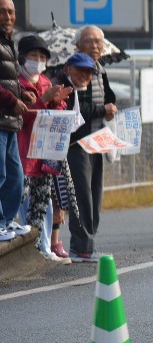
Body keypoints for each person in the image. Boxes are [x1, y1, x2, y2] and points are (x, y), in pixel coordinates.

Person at [58, 25, 117, 262]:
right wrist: (104, 109)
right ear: (78, 45)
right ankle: (81, 247)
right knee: (81, 196)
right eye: (89, 42)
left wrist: (111, 107)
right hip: (77, 143)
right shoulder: (75, 71)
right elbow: (79, 108)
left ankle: (88, 245)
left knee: (95, 195)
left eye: (98, 42)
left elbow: (109, 96)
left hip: (98, 140)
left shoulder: (100, 70)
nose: (95, 46)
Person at [15, 34, 73, 263]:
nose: (38, 61)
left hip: (45, 155)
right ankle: (26, 251)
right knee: (23, 202)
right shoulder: (18, 84)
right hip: (24, 153)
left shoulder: (47, 83)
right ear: (21, 58)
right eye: (33, 56)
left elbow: (55, 116)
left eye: (42, 56)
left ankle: (44, 247)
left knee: (44, 202)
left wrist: (57, 102)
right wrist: (43, 101)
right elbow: (25, 118)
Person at [0, 0, 32, 243]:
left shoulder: (8, 42)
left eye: (11, 11)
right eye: (3, 11)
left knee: (15, 177)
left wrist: (26, 93)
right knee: (1, 175)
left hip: (10, 122)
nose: (8, 16)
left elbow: (11, 81)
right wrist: (13, 101)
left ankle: (8, 220)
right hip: (2, 119)